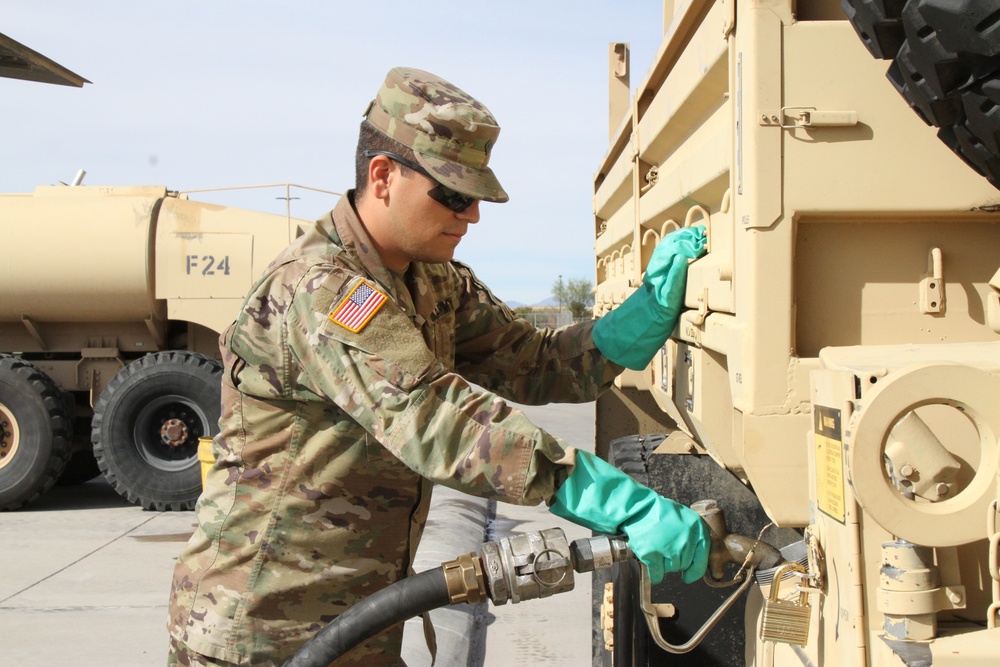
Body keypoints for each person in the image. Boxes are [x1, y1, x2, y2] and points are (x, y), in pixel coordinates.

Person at [167, 66, 710, 667]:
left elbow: (535, 362)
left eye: (476, 197)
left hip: (359, 624)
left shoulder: (433, 281)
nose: (471, 215)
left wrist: (638, 321)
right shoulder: (320, 289)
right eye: (452, 195)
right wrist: (600, 494)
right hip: (262, 632)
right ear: (383, 176)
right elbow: (433, 416)